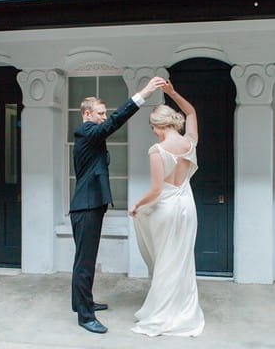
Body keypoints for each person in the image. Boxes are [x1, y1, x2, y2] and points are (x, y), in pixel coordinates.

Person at [70, 76, 166, 334]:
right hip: (86, 206)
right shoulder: (86, 130)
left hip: (91, 205)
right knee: (85, 262)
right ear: (87, 113)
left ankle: (83, 302)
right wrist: (143, 94)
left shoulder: (91, 136)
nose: (104, 117)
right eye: (100, 113)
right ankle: (85, 316)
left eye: (104, 113)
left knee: (85, 260)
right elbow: (113, 123)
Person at [128, 80, 205, 337]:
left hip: (167, 209)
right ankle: (184, 312)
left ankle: (162, 314)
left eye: (153, 129)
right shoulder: (189, 143)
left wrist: (137, 204)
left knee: (165, 261)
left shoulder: (157, 149)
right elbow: (191, 112)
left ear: (159, 127)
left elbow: (156, 191)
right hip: (187, 207)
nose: (154, 133)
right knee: (182, 261)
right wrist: (172, 92)